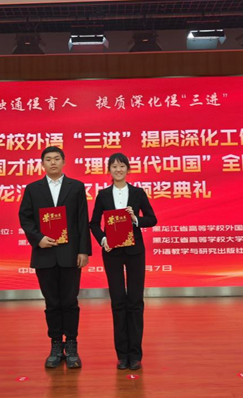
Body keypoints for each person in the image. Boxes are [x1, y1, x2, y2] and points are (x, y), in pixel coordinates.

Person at [18, 146, 92, 369]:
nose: (52, 162)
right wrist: (38, 238)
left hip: (70, 254)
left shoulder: (76, 187)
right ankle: (55, 345)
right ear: (42, 164)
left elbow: (82, 220)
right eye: (48, 159)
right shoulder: (33, 189)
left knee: (70, 301)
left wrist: (83, 251)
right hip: (45, 253)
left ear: (63, 162)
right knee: (52, 303)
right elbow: (25, 217)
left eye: (56, 159)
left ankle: (72, 345)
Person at [89, 153, 157, 370]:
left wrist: (135, 219)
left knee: (135, 301)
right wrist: (103, 240)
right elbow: (94, 224)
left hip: (135, 251)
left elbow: (152, 219)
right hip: (112, 252)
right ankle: (122, 355)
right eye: (114, 166)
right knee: (118, 301)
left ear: (128, 169)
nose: (118, 170)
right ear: (109, 170)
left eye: (122, 166)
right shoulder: (103, 195)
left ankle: (135, 355)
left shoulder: (138, 193)